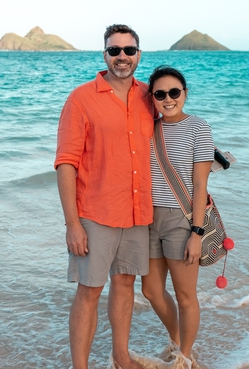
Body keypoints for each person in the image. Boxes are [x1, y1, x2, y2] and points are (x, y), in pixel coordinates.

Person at [55, 24, 155, 369]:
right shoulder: (81, 98)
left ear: (139, 55)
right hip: (95, 213)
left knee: (125, 284)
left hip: (138, 212)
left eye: (129, 50)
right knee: (89, 291)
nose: (122, 57)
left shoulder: (149, 97)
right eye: (115, 51)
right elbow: (65, 163)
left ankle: (121, 356)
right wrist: (72, 224)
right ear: (105, 56)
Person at [140, 66, 214, 369]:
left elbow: (200, 184)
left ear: (185, 93)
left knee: (185, 296)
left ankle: (185, 356)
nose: (168, 99)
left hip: (182, 221)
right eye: (160, 94)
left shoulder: (199, 127)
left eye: (174, 92)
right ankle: (176, 343)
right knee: (151, 291)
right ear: (152, 98)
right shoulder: (148, 127)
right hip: (145, 218)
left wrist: (197, 233)